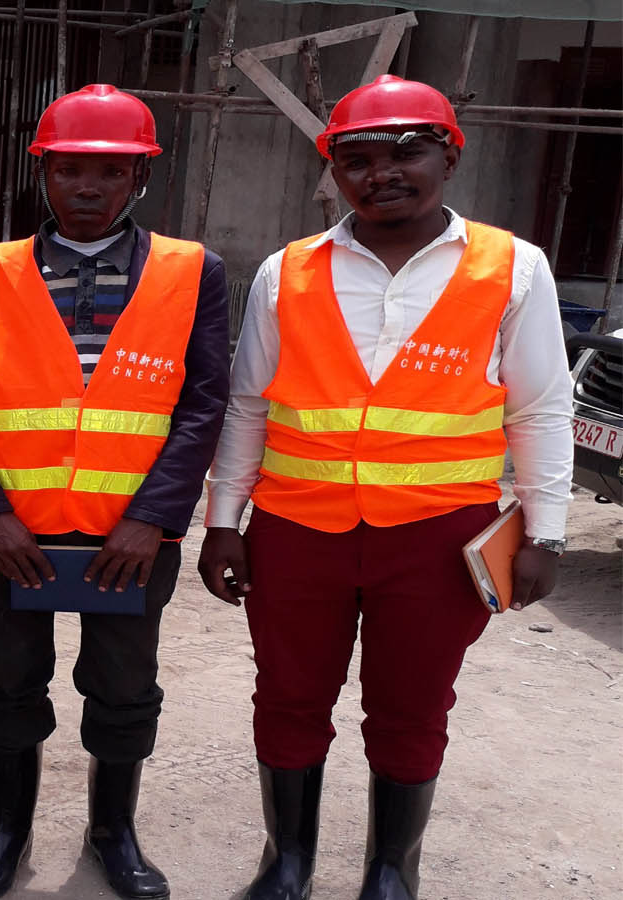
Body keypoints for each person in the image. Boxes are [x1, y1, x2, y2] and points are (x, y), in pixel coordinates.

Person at [197, 75, 573, 900]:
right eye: (357, 158)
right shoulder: (286, 272)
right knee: (289, 699)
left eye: (409, 152)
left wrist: (544, 532)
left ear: (450, 155)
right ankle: (286, 860)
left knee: (411, 708)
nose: (383, 173)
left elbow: (542, 410)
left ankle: (391, 868)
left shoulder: (513, 268)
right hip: (296, 532)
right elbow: (249, 405)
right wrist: (223, 521)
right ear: (334, 171)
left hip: (439, 540)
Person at [0, 84, 230, 900]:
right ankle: (8, 831)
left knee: (125, 687)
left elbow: (204, 403)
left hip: (128, 540)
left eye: (109, 171)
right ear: (44, 175)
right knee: (7, 679)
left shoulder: (193, 272)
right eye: (69, 171)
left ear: (140, 176)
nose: (87, 189)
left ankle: (113, 832)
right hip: (9, 536)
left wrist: (155, 519)